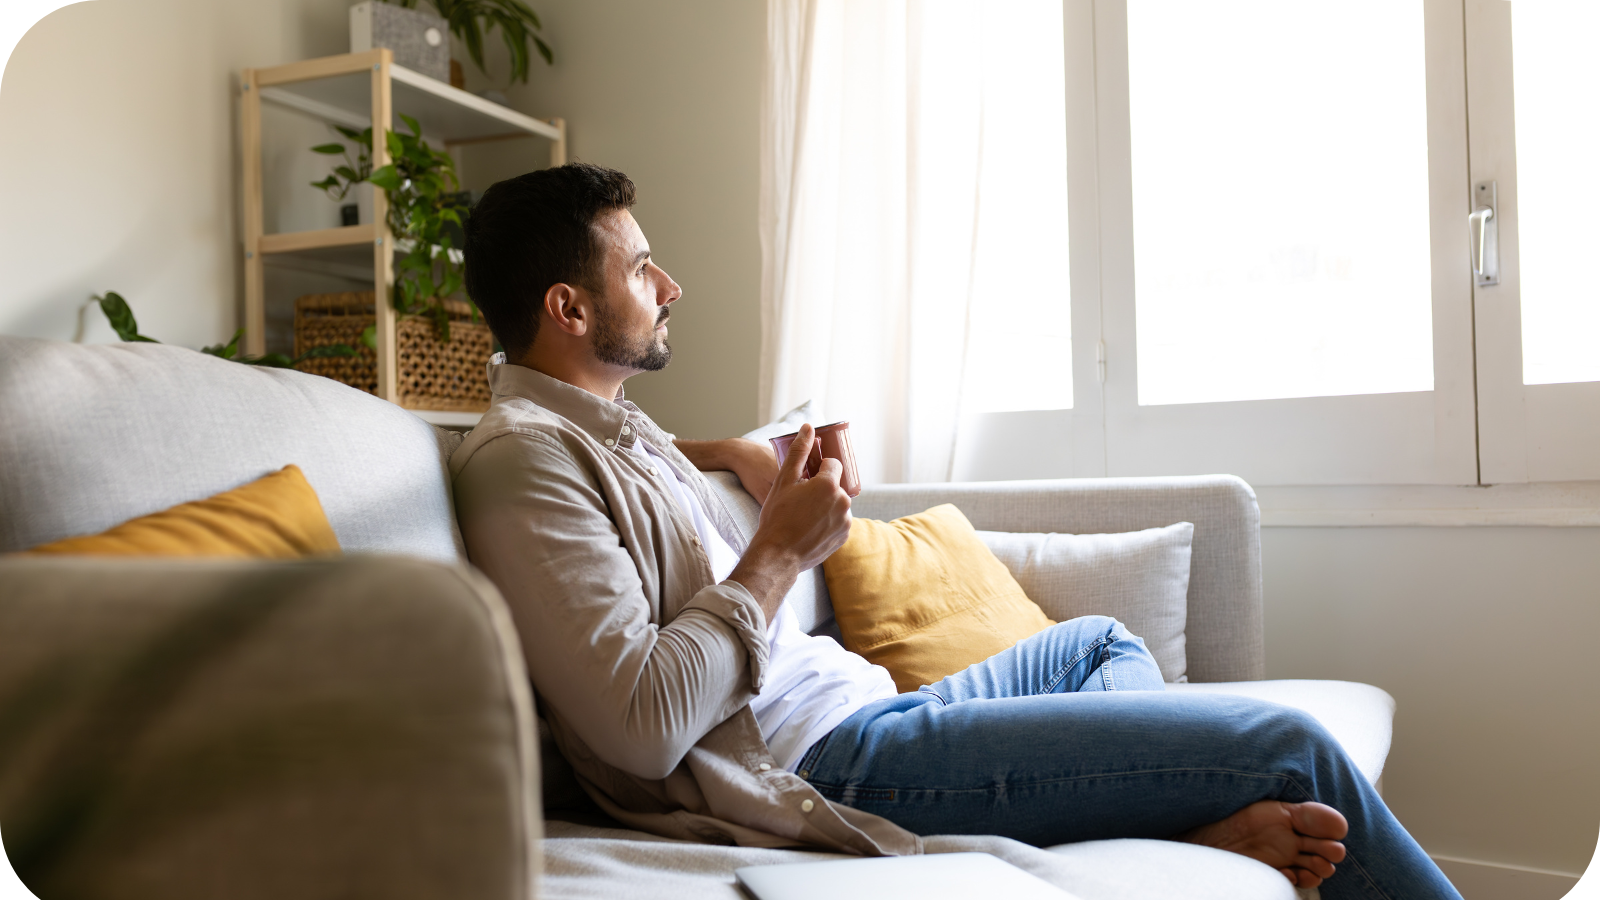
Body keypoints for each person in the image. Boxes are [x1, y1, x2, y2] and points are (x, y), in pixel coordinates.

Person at [452, 163, 1462, 900]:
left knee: (1104, 642)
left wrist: (748, 458)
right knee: (1287, 744)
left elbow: (641, 474)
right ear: (568, 308)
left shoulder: (609, 433)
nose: (669, 286)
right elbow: (637, 723)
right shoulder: (522, 463)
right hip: (830, 762)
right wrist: (778, 553)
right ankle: (1182, 810)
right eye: (641, 269)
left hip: (874, 714)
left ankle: (1178, 821)